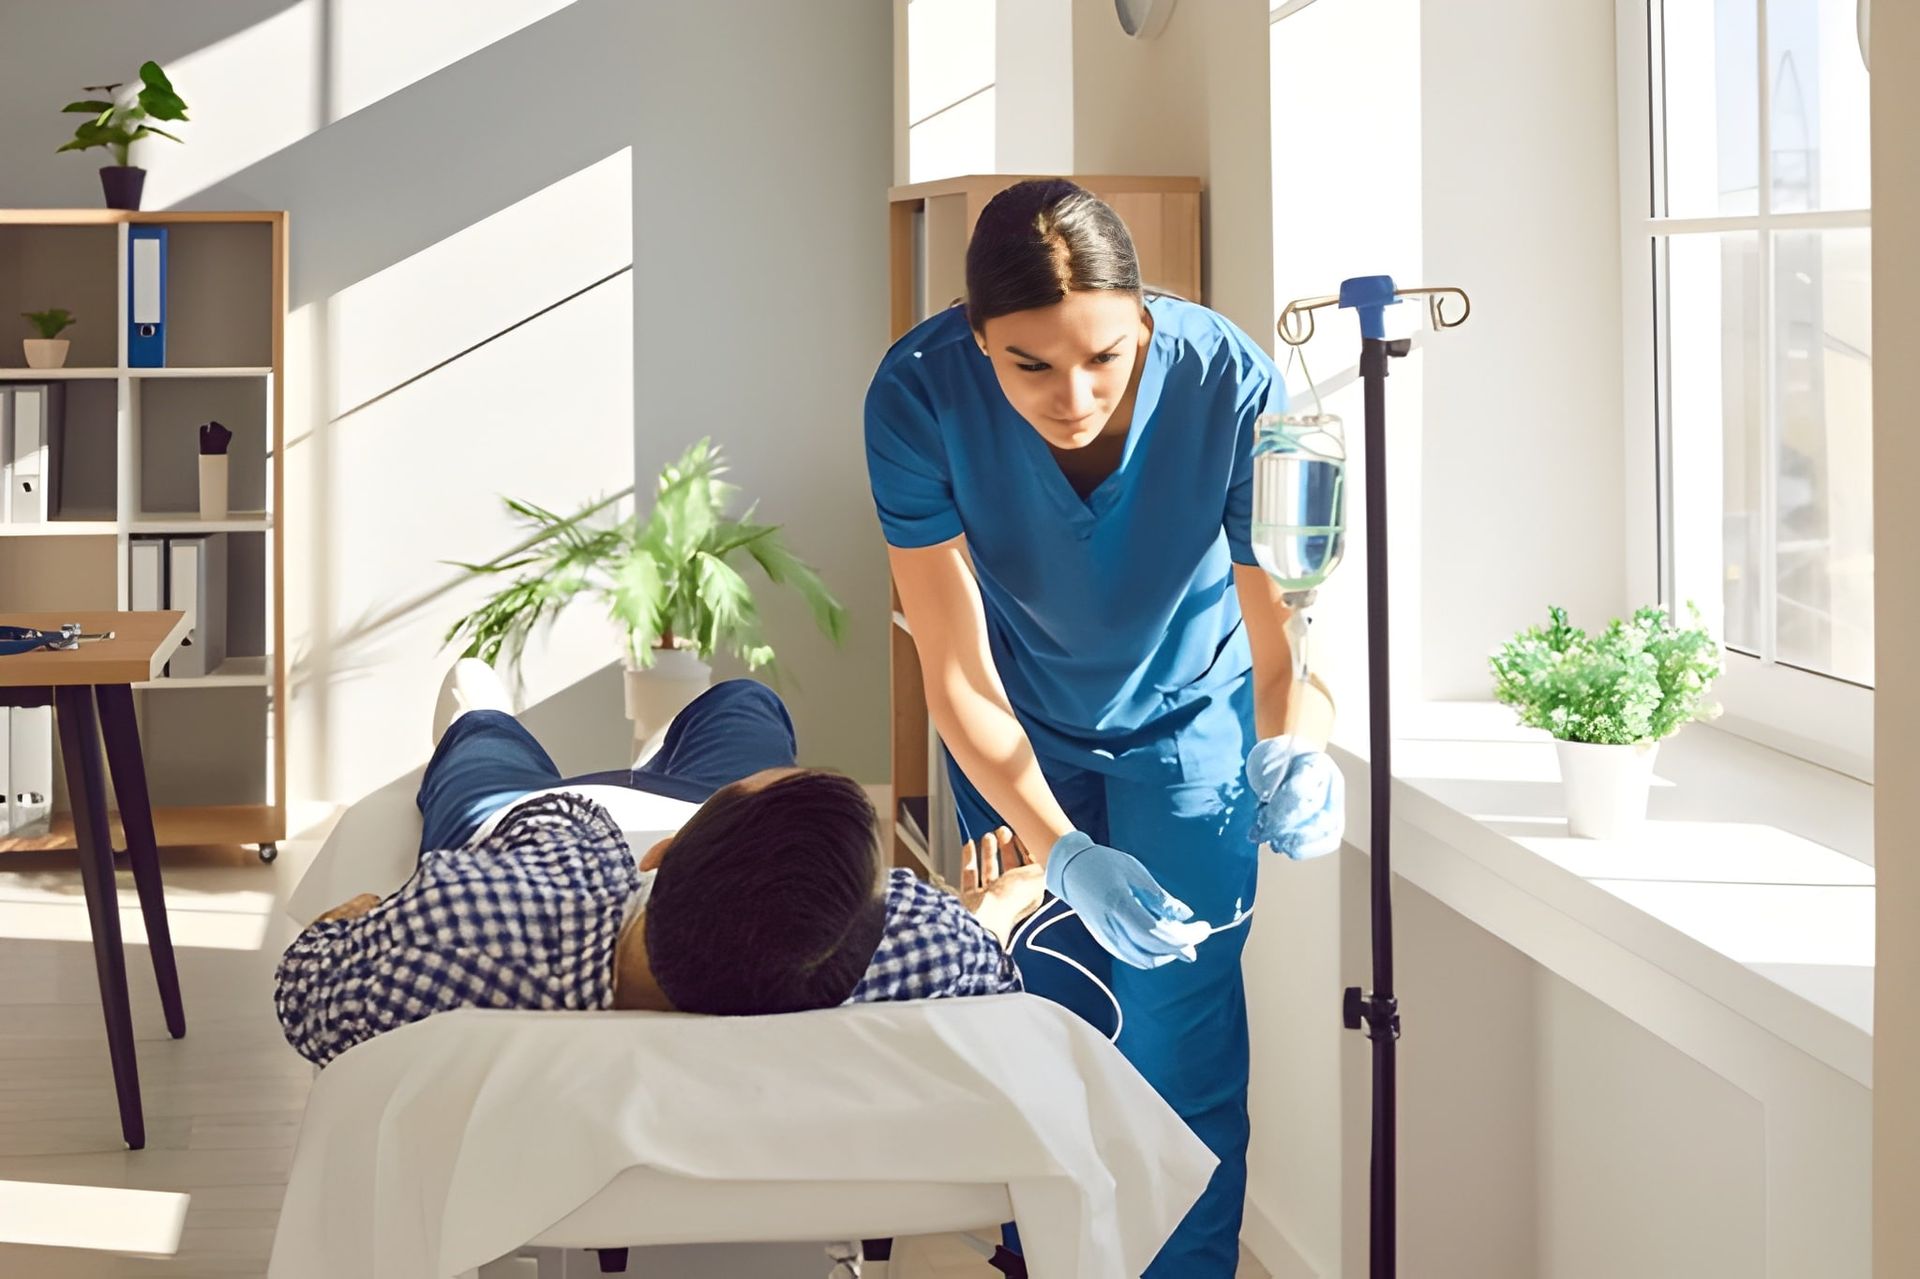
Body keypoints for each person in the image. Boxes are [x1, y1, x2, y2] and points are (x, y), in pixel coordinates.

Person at [862, 178, 1347, 1276]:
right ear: (977, 338)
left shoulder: (1229, 383)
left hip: (1190, 732)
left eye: (1105, 356)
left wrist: (1298, 748)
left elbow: (1285, 648)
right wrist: (1062, 850)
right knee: (1041, 1021)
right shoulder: (918, 395)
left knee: (1180, 1041)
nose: (1072, 395)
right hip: (1014, 733)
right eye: (1028, 364)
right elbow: (955, 669)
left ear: (1144, 318)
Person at [274, 661, 1044, 1068]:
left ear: (658, 856)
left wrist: (351, 916)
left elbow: (309, 993)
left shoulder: (465, 914)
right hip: (710, 829)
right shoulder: (908, 945)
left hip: (520, 819)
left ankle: (489, 710)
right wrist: (993, 914)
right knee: (745, 701)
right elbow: (985, 967)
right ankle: (668, 751)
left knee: (479, 720)